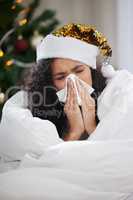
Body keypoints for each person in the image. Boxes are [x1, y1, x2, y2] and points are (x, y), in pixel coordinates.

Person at [23, 23, 113, 141]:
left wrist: (91, 125)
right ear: (50, 83)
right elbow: (50, 158)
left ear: (92, 71)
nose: (73, 81)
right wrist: (74, 131)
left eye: (79, 71)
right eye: (61, 77)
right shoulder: (40, 116)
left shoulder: (113, 99)